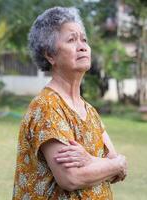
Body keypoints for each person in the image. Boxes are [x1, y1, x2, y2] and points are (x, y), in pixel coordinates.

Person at [12, 6, 127, 200]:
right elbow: (70, 177)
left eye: (84, 40)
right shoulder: (47, 106)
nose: (82, 46)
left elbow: (118, 170)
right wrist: (115, 165)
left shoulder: (89, 110)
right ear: (50, 55)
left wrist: (90, 160)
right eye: (72, 40)